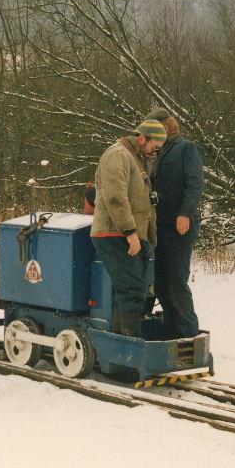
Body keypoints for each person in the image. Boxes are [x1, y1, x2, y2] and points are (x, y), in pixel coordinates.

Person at [91, 119, 166, 338]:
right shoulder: (118, 155)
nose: (155, 152)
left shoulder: (137, 159)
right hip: (114, 233)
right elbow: (115, 197)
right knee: (132, 290)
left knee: (132, 291)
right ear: (142, 138)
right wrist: (130, 233)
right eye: (155, 147)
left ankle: (123, 338)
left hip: (130, 235)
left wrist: (149, 238)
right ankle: (130, 346)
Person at [145, 108, 204, 338]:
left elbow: (195, 183)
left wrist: (185, 213)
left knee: (176, 280)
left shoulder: (186, 148)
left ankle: (189, 334)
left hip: (180, 225)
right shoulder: (157, 152)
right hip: (160, 226)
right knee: (159, 282)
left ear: (167, 125)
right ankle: (171, 331)